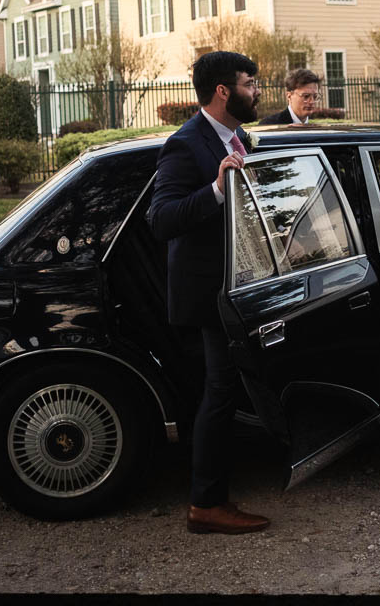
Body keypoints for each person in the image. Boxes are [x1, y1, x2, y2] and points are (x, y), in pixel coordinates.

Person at [145, 50, 271, 535]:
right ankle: (207, 503)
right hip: (209, 293)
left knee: (227, 387)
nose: (256, 90)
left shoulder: (241, 137)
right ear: (224, 91)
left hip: (244, 285)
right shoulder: (185, 145)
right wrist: (217, 189)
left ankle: (215, 492)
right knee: (219, 391)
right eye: (250, 82)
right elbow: (162, 220)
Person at [257, 67, 322, 125]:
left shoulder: (319, 131)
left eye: (315, 96)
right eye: (306, 96)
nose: (312, 101)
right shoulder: (268, 125)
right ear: (289, 96)